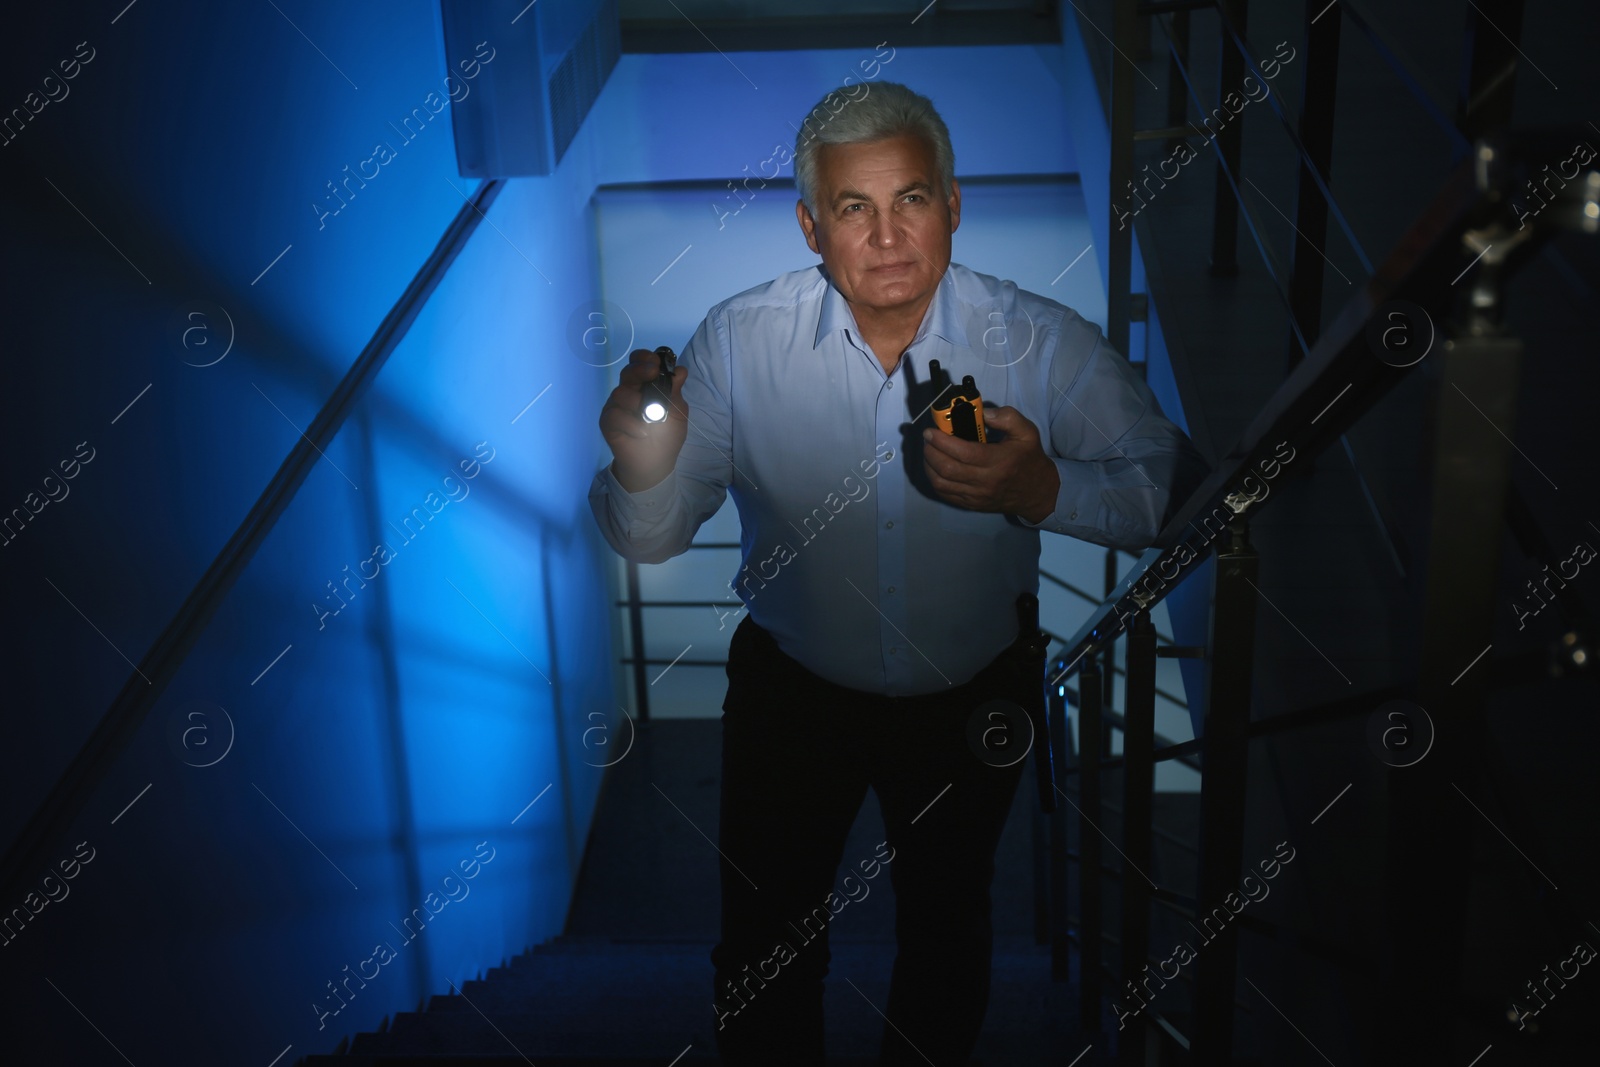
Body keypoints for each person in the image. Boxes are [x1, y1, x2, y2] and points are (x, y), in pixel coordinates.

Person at [588, 81, 1209, 1066]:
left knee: (949, 934)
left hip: (973, 703)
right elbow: (652, 537)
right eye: (852, 207)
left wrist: (1045, 485)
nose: (885, 235)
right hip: (791, 696)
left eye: (910, 198)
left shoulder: (1039, 343)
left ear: (952, 207)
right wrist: (640, 467)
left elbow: (1171, 491)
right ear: (810, 227)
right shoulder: (737, 344)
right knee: (762, 947)